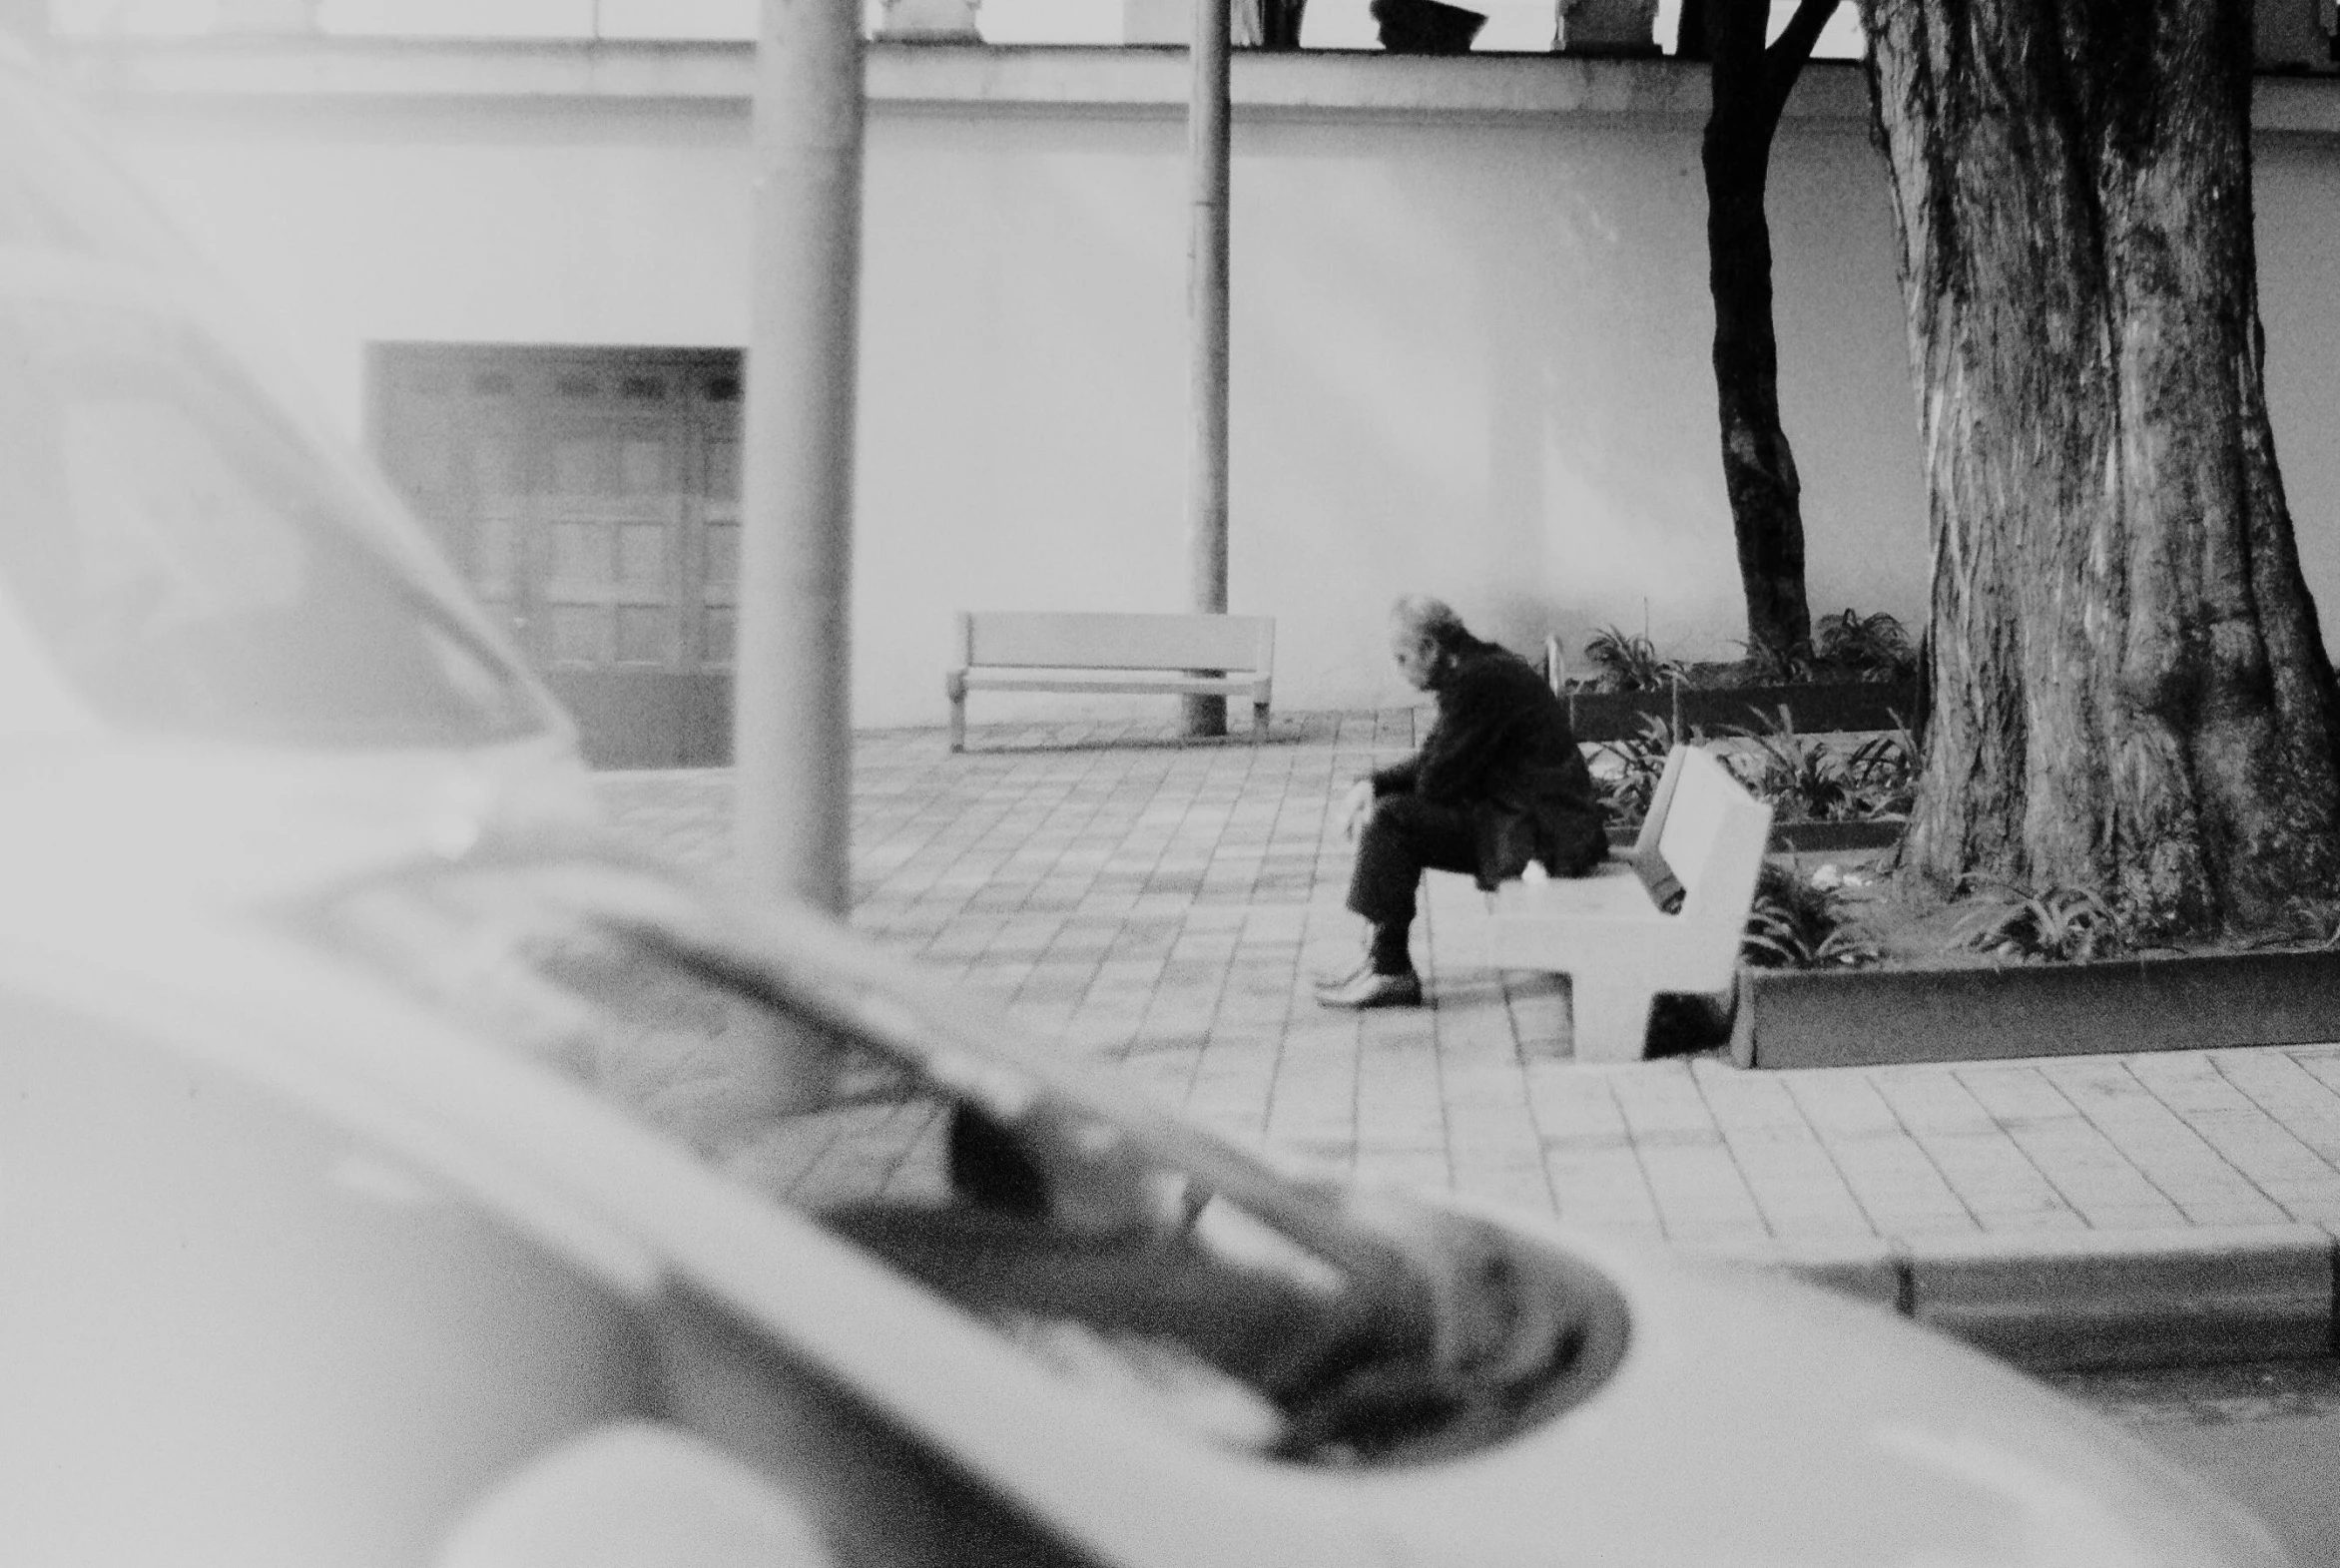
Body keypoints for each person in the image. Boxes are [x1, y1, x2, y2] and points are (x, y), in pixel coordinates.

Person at [1318, 596, 1608, 1009]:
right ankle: (1382, 962)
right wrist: (1373, 782)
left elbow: (1437, 780)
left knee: (1393, 822)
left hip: (1542, 840)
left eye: (1401, 658)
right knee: (1392, 814)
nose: (1399, 669)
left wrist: (1383, 790)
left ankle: (1388, 969)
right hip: (1526, 821)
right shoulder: (1480, 668)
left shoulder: (1477, 683)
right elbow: (1437, 759)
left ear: (1431, 649)